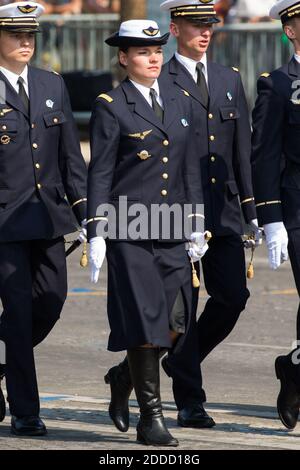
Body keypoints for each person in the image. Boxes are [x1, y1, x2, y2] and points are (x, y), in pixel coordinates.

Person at [87, 19, 207, 446]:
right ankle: (150, 419)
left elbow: (190, 166)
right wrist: (97, 231)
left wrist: (196, 222)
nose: (153, 57)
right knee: (143, 322)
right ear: (123, 58)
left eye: (157, 50)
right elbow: (100, 172)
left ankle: (124, 377)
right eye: (141, 51)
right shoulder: (111, 104)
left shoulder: (179, 100)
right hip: (129, 229)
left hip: (173, 227)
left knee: (176, 323)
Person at [156, 0, 259, 428]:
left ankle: (160, 367)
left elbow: (242, 150)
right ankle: (190, 400)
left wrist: (253, 210)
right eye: (196, 25)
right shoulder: (160, 77)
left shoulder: (228, 77)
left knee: (233, 297)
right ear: (175, 27)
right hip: (180, 210)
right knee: (183, 308)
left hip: (225, 209)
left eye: (210, 25)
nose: (205, 32)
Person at [0, 1, 87, 436]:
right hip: (4, 222)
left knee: (50, 302)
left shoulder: (51, 83)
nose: (25, 41)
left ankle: (6, 360)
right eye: (16, 34)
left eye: (30, 35)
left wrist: (88, 214)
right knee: (16, 314)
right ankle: (25, 409)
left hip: (50, 218)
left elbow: (70, 155)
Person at [251, 0, 300, 431]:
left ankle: (294, 368)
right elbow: (264, 154)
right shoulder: (278, 84)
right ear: (290, 31)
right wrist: (271, 218)